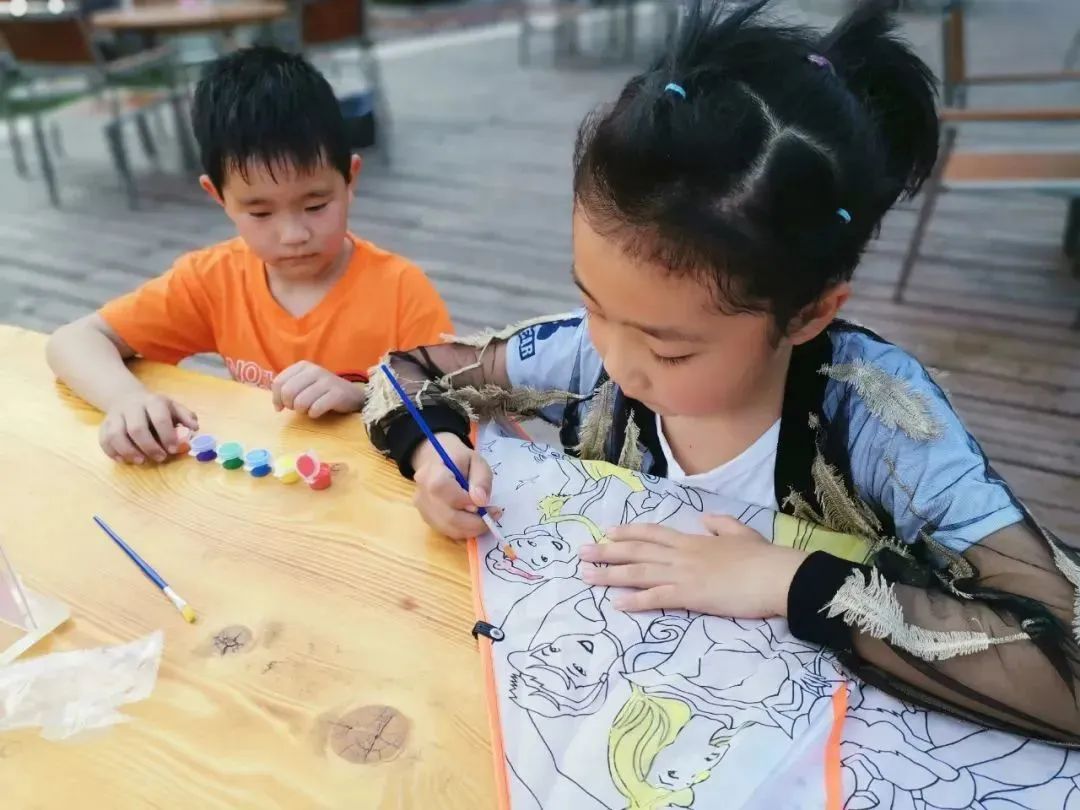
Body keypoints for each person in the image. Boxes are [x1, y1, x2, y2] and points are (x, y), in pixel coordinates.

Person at [362, 0, 1080, 742]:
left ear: (806, 315)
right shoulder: (586, 352)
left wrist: (788, 580)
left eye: (671, 351)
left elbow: (1069, 663)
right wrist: (434, 454)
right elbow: (410, 371)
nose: (617, 363)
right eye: (593, 305)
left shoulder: (877, 418)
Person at [47, 46, 452, 465]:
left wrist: (360, 397)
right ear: (218, 196)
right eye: (260, 213)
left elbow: (454, 413)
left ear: (350, 179)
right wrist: (126, 400)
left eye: (316, 205)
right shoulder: (213, 279)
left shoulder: (401, 292)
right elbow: (73, 340)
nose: (294, 235)